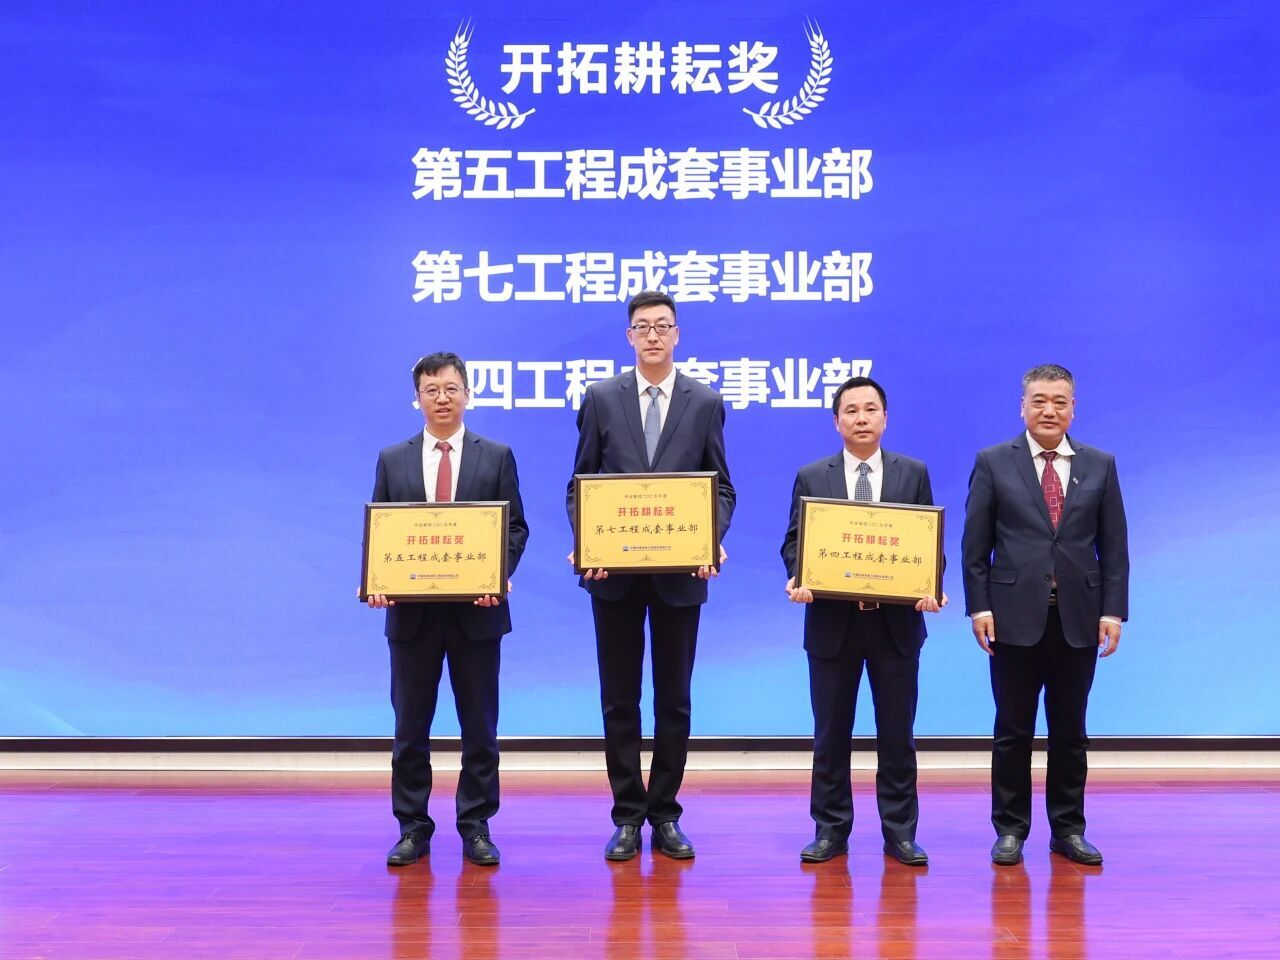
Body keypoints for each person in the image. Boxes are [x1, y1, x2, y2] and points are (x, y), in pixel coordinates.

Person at [566, 290, 735, 862]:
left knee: (674, 700)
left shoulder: (705, 401)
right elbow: (581, 484)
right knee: (619, 699)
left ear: (677, 334)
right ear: (629, 337)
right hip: (613, 574)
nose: (654, 335)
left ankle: (664, 813)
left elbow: (721, 487)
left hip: (680, 574)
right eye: (643, 327)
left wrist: (710, 537)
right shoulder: (600, 398)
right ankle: (626, 816)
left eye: (663, 325)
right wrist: (588, 542)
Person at [962, 363, 1128, 866]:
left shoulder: (1099, 464)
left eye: (1059, 401)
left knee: (1070, 731)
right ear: (1023, 407)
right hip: (1011, 617)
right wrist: (979, 606)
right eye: (1039, 400)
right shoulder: (994, 462)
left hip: (1079, 617)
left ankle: (1068, 829)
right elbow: (975, 547)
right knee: (1012, 730)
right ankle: (1010, 830)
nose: (1049, 410)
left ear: (1073, 408)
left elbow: (1114, 547)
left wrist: (1114, 611)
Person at [367, 352, 529, 867]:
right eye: (431, 390)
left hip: (477, 613)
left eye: (451, 388)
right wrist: (377, 582)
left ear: (467, 394)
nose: (442, 398)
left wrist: (497, 574)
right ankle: (412, 826)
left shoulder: (496, 456)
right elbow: (381, 530)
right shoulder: (392, 458)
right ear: (417, 398)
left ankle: (476, 826)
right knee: (410, 730)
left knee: (479, 728)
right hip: (411, 618)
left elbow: (515, 528)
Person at [781, 376, 946, 866]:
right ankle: (830, 830)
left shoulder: (912, 473)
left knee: (897, 735)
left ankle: (900, 833)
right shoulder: (813, 475)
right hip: (832, 625)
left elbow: (928, 542)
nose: (861, 418)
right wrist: (800, 575)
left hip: (895, 626)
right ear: (836, 421)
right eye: (850, 411)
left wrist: (931, 584)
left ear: (885, 418)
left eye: (870, 409)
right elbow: (794, 541)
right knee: (831, 735)